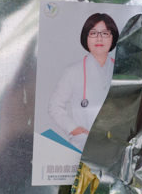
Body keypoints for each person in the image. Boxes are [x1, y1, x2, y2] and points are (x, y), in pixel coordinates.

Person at [48, 13, 119, 151]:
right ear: (86, 37)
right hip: (83, 147)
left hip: (114, 148)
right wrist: (73, 129)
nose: (99, 38)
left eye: (105, 33)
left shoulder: (121, 72)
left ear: (113, 37)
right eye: (93, 33)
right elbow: (54, 107)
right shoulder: (73, 71)